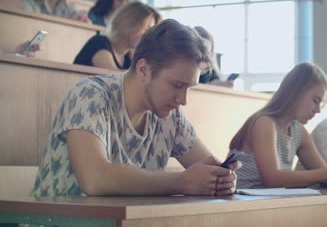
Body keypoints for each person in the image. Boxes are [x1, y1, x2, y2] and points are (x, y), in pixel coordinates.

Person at [32, 19, 239, 197]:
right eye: (177, 85)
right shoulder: (90, 95)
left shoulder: (171, 116)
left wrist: (220, 179)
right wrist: (183, 181)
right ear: (143, 69)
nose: (183, 100)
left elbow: (205, 167)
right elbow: (95, 179)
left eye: (189, 87)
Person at [228, 62, 327, 189]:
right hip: (240, 203)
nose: (318, 110)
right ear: (296, 92)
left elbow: (325, 176)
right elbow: (272, 180)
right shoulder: (265, 123)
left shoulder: (298, 131)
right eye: (315, 100)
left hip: (267, 206)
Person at [74, 2, 162, 71]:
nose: (150, 35)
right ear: (129, 25)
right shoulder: (99, 42)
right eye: (146, 29)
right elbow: (116, 80)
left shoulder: (128, 56)